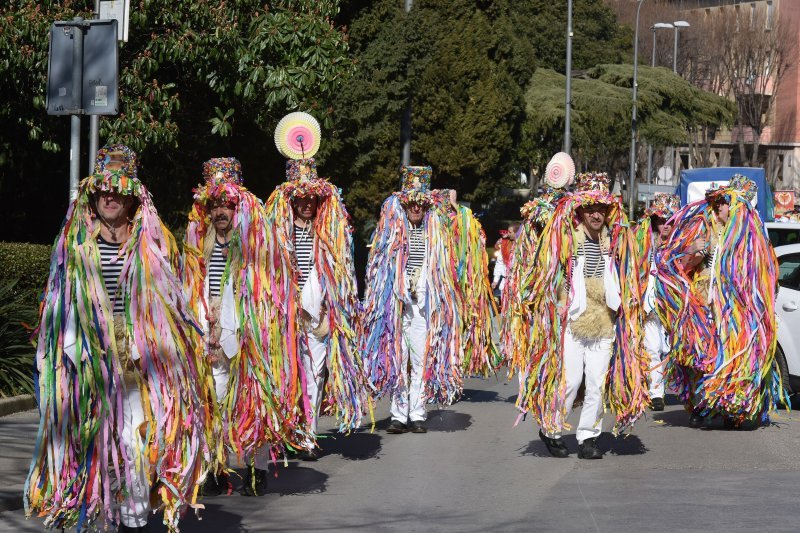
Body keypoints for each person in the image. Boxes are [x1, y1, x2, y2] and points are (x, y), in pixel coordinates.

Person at [25, 145, 211, 532]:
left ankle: (134, 519)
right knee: (90, 445)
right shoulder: (74, 246)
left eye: (118, 190)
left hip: (137, 365)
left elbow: (173, 309)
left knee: (135, 443)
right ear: (93, 197)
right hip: (87, 365)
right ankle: (98, 510)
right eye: (102, 191)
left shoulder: (152, 246)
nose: (109, 196)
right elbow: (59, 305)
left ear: (131, 199)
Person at [517, 171, 647, 459]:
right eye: (590, 208)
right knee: (572, 382)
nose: (596, 214)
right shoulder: (566, 240)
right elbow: (546, 267)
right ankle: (550, 429)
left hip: (604, 323)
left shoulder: (616, 241)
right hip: (572, 323)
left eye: (601, 209)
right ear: (581, 211)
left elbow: (629, 275)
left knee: (597, 385)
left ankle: (589, 437)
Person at [183, 157, 286, 496]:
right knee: (212, 403)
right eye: (215, 205)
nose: (221, 211)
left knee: (251, 402)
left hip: (247, 334)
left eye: (227, 203)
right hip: (209, 336)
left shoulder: (255, 238)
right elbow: (191, 286)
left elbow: (270, 286)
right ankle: (215, 467)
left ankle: (257, 471)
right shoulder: (199, 241)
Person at [655, 175, 784, 428]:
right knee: (700, 359)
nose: (721, 207)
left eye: (727, 203)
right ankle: (700, 406)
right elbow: (680, 267)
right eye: (722, 202)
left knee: (734, 357)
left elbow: (766, 280)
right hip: (705, 309)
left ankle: (732, 408)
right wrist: (693, 253)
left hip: (736, 314)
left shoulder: (753, 238)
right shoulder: (704, 229)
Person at [264, 139, 364, 460]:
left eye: (312, 197)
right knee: (285, 374)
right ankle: (287, 432)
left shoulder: (329, 232)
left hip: (318, 317)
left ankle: (307, 434)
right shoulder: (277, 230)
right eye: (301, 197)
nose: (307, 202)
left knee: (314, 373)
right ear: (291, 199)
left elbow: (342, 273)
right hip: (286, 315)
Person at [361, 166, 462, 434]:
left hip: (423, 305)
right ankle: (398, 414)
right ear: (403, 204)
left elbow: (443, 269)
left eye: (420, 203)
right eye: (411, 203)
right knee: (398, 356)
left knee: (419, 358)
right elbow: (379, 268)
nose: (416, 207)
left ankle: (417, 413)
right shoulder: (391, 231)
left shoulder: (434, 231)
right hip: (397, 304)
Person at [432, 188, 500, 376]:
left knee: (454, 329)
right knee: (439, 329)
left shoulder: (466, 222)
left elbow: (474, 240)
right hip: (439, 284)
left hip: (460, 287)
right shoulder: (435, 224)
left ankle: (450, 371)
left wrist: (457, 209)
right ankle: (440, 372)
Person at [502, 188, 567, 370]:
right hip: (531, 307)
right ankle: (528, 390)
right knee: (532, 348)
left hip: (558, 305)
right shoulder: (525, 251)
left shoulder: (563, 248)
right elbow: (517, 280)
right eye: (539, 225)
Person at [633, 193, 680, 412]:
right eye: (662, 221)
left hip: (673, 305)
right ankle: (656, 393)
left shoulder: (681, 244)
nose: (666, 225)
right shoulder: (645, 243)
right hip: (650, 305)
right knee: (652, 349)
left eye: (670, 221)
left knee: (668, 349)